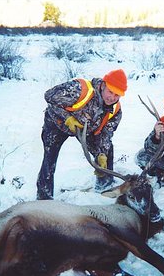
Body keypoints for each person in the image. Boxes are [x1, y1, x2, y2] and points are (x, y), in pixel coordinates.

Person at [36, 69, 127, 200]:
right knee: (50, 158)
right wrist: (67, 118)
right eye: (110, 92)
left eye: (117, 95)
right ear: (103, 85)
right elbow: (49, 96)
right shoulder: (79, 89)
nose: (112, 97)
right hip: (57, 123)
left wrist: (101, 153)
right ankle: (44, 198)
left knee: (107, 152)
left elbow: (106, 134)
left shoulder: (115, 111)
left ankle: (104, 188)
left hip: (86, 129)